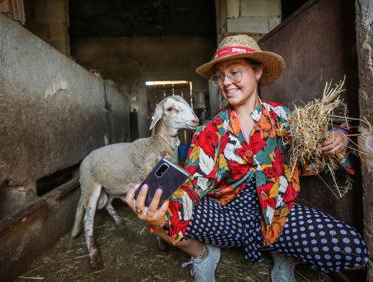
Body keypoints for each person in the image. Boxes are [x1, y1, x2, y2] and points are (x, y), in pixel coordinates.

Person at [124, 34, 370, 282]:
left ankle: (284, 251)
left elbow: (314, 153)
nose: (226, 82)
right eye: (220, 76)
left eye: (235, 72)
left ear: (258, 72)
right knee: (160, 209)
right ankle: (203, 254)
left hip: (276, 213)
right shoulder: (209, 131)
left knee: (353, 250)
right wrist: (164, 211)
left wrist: (339, 136)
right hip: (226, 217)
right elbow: (194, 184)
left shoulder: (285, 119)